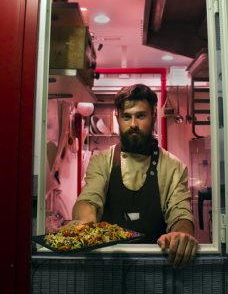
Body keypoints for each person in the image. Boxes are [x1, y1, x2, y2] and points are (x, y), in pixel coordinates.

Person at [72, 84, 198, 268]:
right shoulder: (102, 162)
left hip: (157, 268)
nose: (133, 125)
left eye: (140, 116)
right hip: (107, 269)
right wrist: (84, 221)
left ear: (154, 115)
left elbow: (181, 214)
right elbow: (89, 199)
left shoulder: (173, 168)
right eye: (126, 117)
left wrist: (181, 234)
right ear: (117, 117)